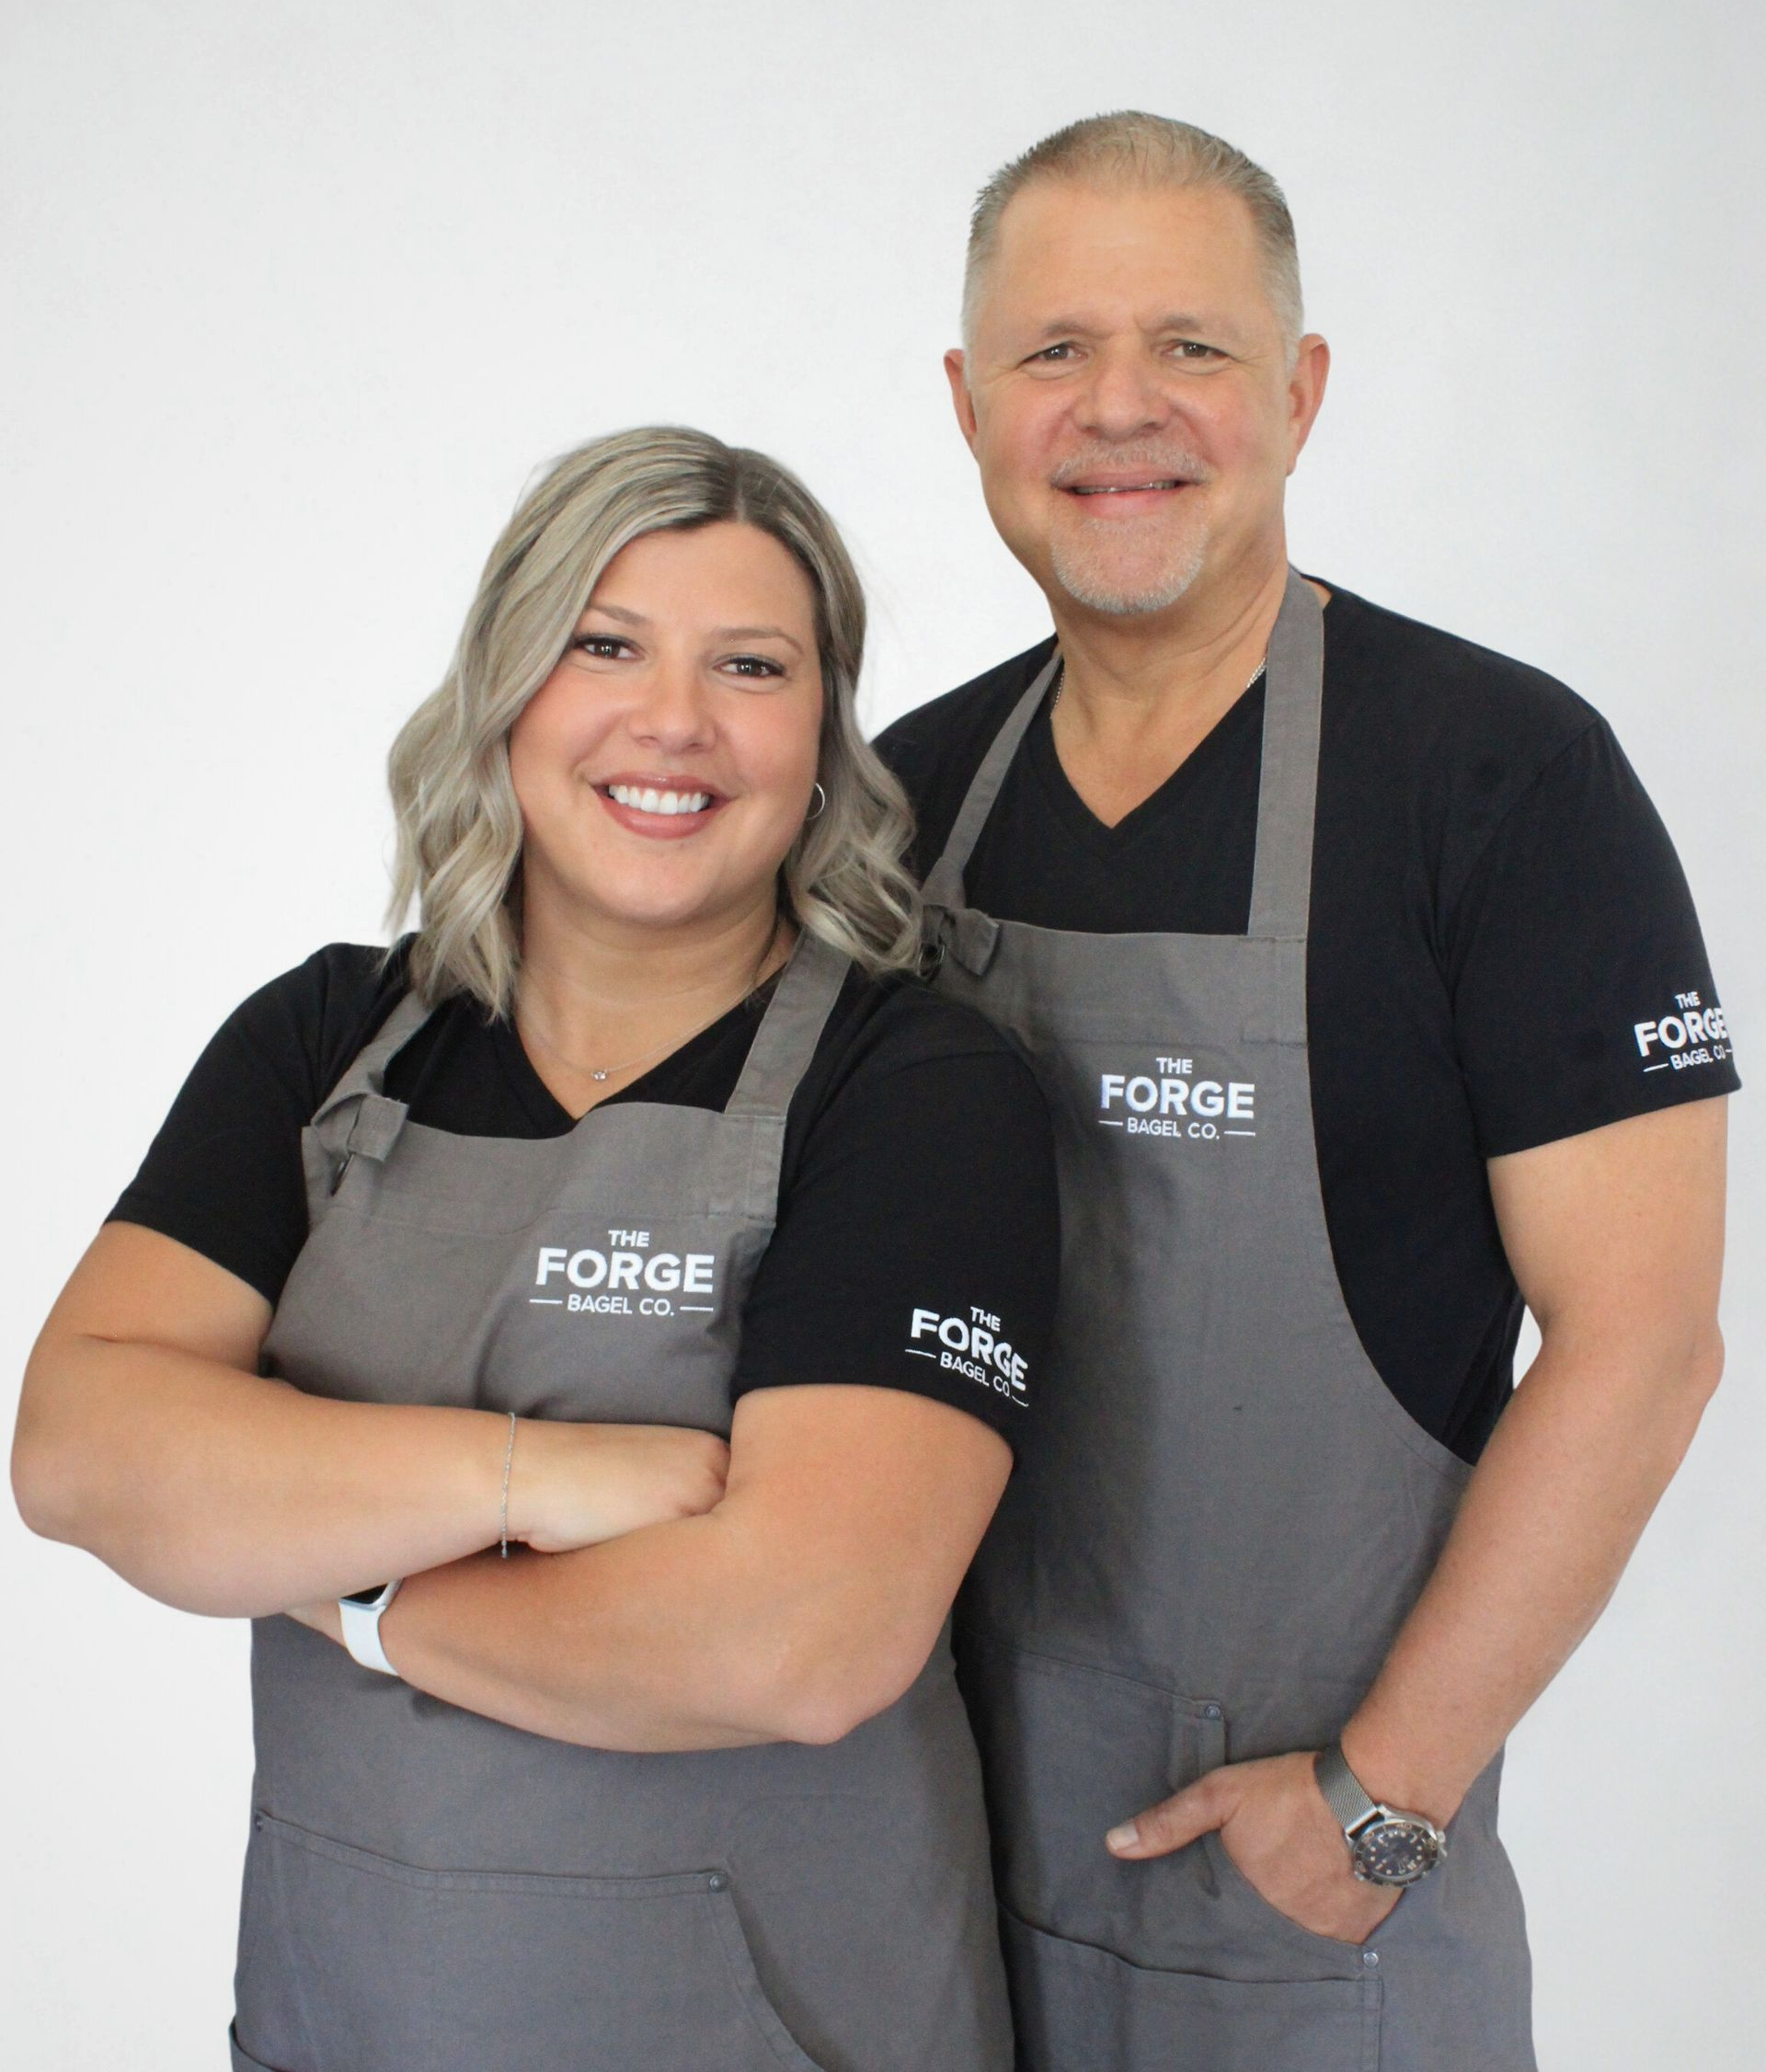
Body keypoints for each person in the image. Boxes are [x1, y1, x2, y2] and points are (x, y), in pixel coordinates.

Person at [12, 426, 1060, 2072]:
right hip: (343, 2010)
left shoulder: (916, 1088)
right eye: (606, 644)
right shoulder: (328, 1041)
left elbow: (805, 1639)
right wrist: (530, 1481)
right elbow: (81, 1452)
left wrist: (343, 1586)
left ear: (824, 737)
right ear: (507, 692)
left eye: (752, 666)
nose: (674, 722)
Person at [877, 113, 1735, 2072]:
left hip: (1297, 1924)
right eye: (1052, 351)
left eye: (1191, 346)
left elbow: (1647, 1341)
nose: (1120, 410)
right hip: (918, 1881)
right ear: (965, 400)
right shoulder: (904, 801)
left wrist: (1381, 1798)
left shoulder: (1499, 780)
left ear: (1301, 388)